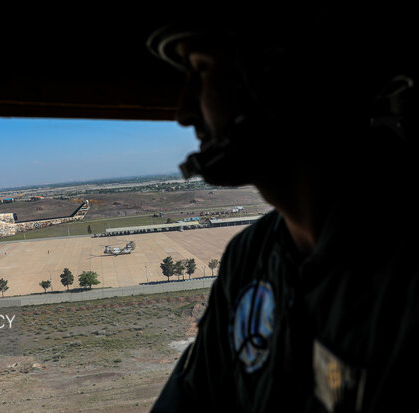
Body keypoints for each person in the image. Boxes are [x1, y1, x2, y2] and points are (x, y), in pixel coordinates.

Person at [147, 7, 418, 413]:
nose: (185, 112)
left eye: (202, 70)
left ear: (274, 76)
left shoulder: (408, 267)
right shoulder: (249, 258)